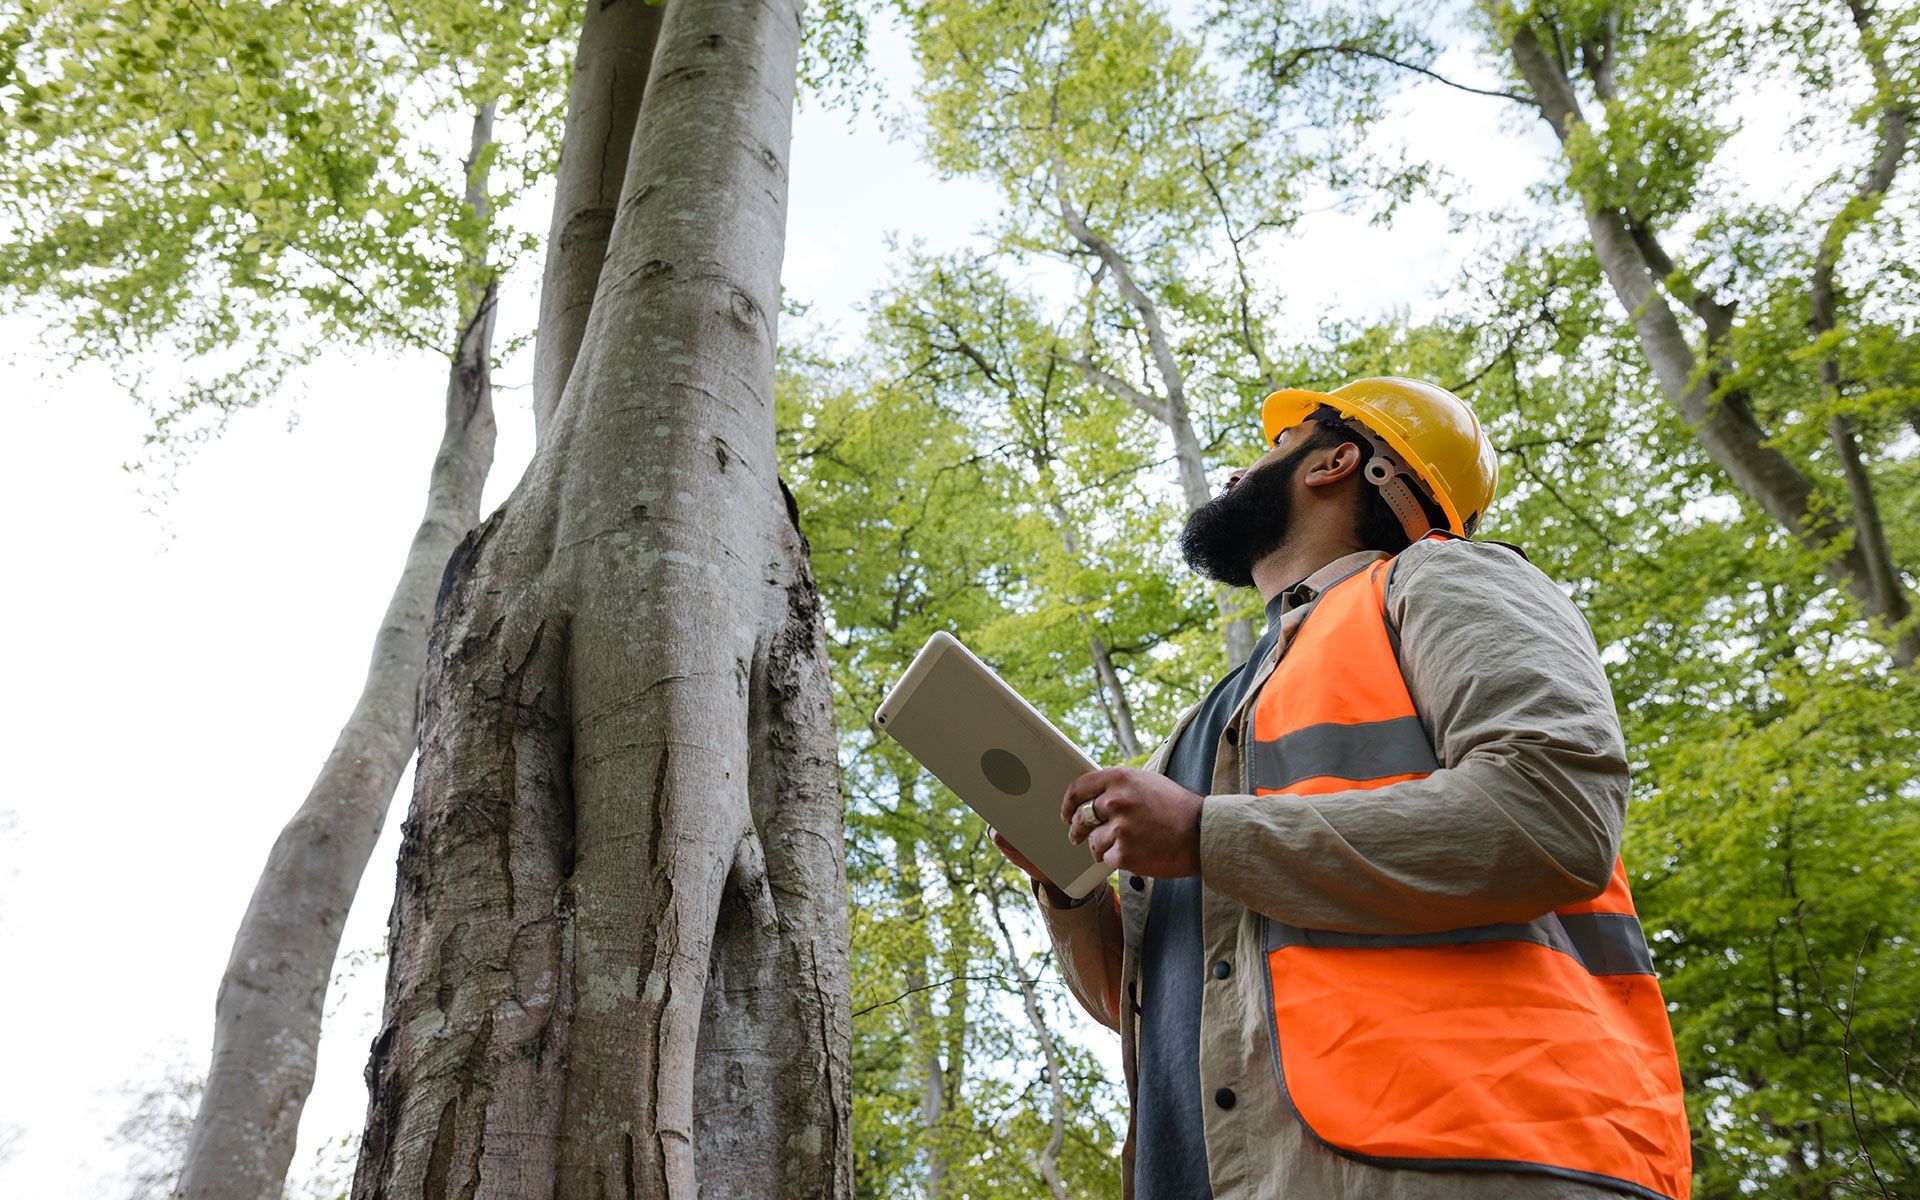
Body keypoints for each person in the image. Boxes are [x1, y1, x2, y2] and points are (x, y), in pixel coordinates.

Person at [990, 378, 1691, 1200]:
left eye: (1273, 448)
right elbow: (1165, 1001)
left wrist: (1206, 836)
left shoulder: (1438, 581)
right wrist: (1070, 895)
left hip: (1475, 1160)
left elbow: (1551, 815)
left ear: (1337, 460)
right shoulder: (1198, 727)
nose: (1235, 474)